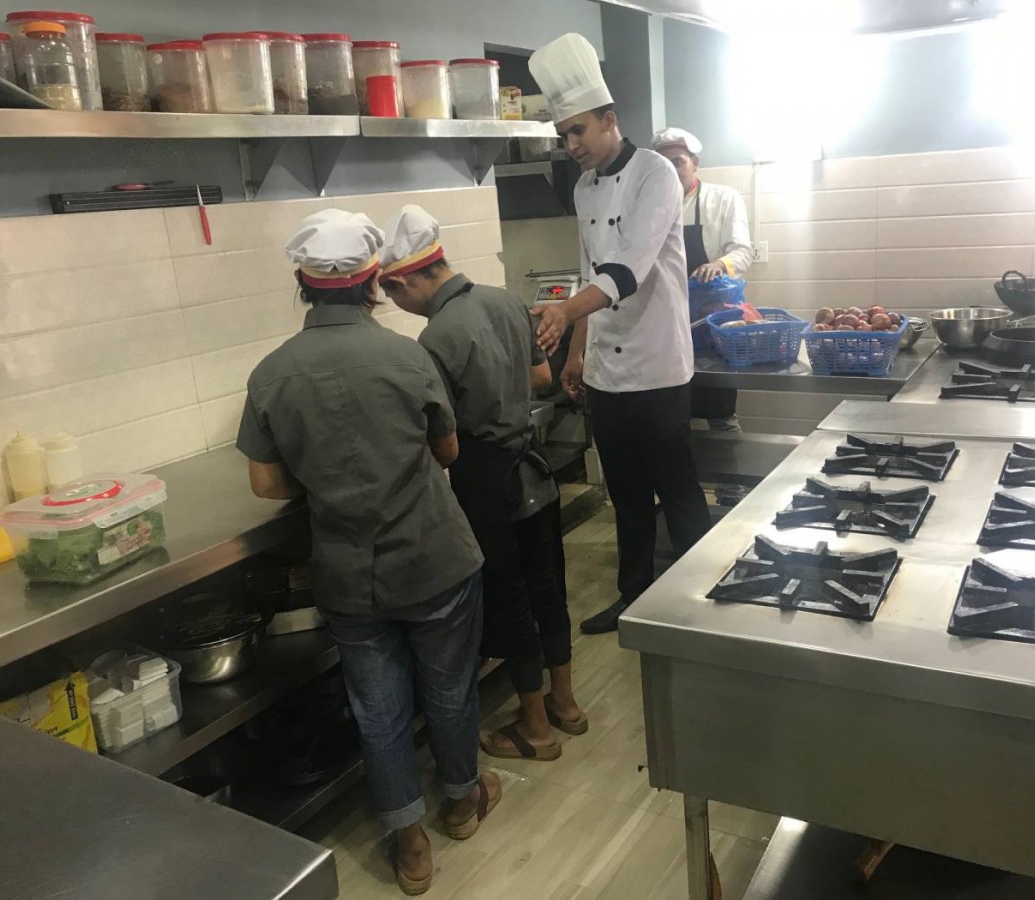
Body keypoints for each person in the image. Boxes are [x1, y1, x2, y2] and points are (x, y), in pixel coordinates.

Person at [236, 209, 500, 897]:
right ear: (374, 280)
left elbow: (266, 484)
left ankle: (409, 844)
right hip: (435, 559)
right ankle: (461, 803)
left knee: (377, 710)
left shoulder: (272, 374)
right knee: (449, 689)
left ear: (303, 283)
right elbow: (448, 450)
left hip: (349, 575)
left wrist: (325, 477)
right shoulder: (408, 357)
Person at [377, 204, 587, 763]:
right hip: (534, 465)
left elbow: (443, 437)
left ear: (407, 281)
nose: (397, 305)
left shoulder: (435, 338)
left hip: (487, 477)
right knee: (548, 584)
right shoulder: (505, 301)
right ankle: (566, 704)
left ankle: (536, 728)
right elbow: (541, 376)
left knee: (510, 597)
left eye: (392, 294)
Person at [527, 33, 713, 635]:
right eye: (564, 135)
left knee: (678, 492)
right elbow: (590, 273)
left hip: (658, 366)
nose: (572, 145)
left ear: (610, 119)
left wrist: (562, 314)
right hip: (607, 372)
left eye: (579, 130)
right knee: (627, 498)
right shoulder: (583, 188)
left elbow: (625, 271)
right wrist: (576, 353)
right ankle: (633, 598)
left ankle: (701, 603)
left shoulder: (655, 174)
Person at [653, 126, 755, 433]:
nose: (672, 171)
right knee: (671, 415)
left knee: (721, 414)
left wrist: (719, 265)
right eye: (664, 164)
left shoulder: (723, 198)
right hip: (666, 325)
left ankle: (731, 467)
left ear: (694, 163)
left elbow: (743, 251)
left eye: (678, 162)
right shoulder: (650, 207)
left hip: (713, 326)